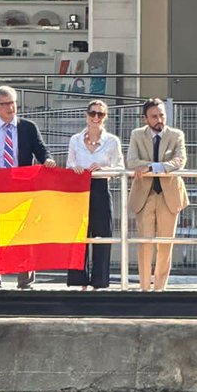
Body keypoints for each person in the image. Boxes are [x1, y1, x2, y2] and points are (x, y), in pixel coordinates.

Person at [0, 84, 55, 289]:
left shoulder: (28, 127)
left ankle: (25, 281)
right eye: (5, 104)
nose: (10, 107)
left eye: (13, 103)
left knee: (24, 233)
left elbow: (41, 150)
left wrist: (48, 160)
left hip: (22, 188)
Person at [126, 98, 189, 292]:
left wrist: (155, 167)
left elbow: (180, 160)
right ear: (145, 118)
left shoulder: (176, 135)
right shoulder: (137, 135)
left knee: (165, 244)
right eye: (154, 116)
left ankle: (160, 289)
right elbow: (131, 161)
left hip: (169, 195)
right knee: (145, 243)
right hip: (145, 194)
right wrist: (143, 166)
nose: (159, 119)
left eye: (162, 115)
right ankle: (144, 288)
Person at [66, 100, 124, 290]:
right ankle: (79, 281)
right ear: (86, 114)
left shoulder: (112, 141)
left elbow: (120, 168)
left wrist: (103, 168)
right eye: (93, 113)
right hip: (79, 188)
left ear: (105, 117)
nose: (96, 117)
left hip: (100, 186)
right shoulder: (75, 139)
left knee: (102, 234)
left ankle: (99, 282)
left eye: (101, 114)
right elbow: (69, 164)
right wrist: (76, 170)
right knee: (79, 234)